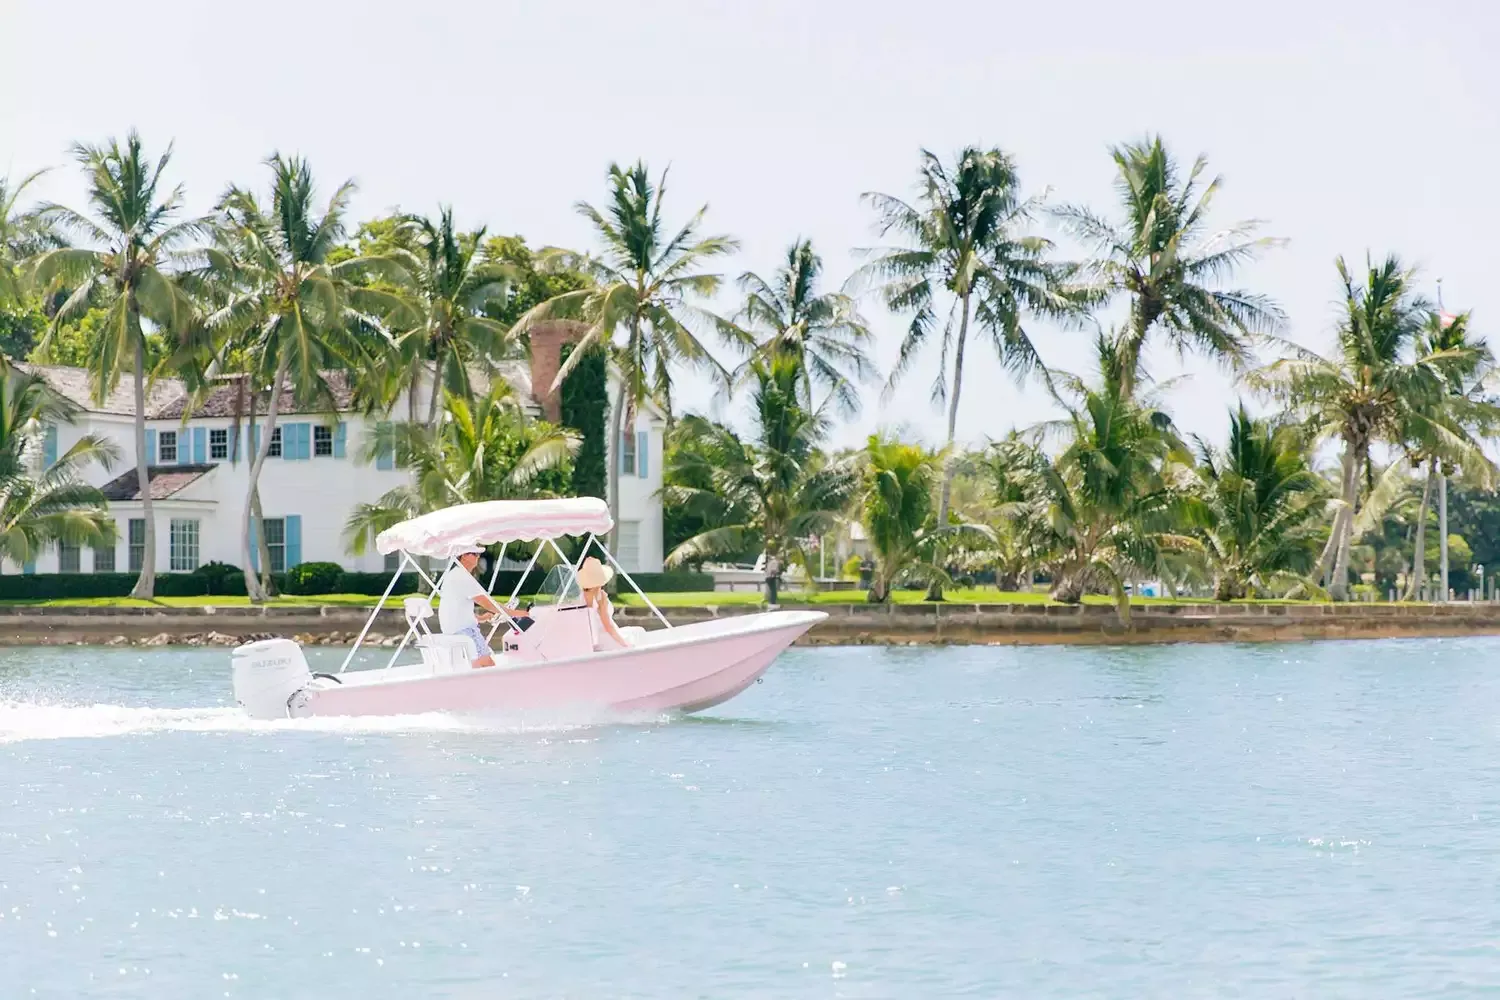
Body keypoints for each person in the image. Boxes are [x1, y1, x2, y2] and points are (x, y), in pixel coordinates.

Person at [438, 545, 506, 668]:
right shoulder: (463, 577)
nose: (477, 557)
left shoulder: (452, 575)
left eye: (478, 555)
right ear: (463, 556)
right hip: (466, 631)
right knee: (488, 666)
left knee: (479, 666)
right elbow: (489, 604)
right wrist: (518, 613)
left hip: (452, 630)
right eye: (474, 554)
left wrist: (480, 618)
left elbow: (454, 608)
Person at [576, 556, 630, 650]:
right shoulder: (600, 596)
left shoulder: (581, 597)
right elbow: (607, 625)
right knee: (637, 634)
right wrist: (625, 644)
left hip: (593, 640)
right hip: (606, 639)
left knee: (635, 631)